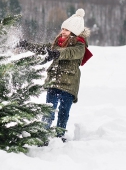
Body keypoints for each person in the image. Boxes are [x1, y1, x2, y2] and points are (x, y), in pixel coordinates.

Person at [17, 8, 92, 142]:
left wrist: (58, 53)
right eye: (62, 28)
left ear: (74, 33)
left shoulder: (80, 45)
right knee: (49, 110)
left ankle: (60, 136)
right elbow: (43, 48)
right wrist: (26, 45)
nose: (63, 31)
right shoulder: (57, 43)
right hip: (53, 82)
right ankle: (43, 134)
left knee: (63, 113)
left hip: (68, 85)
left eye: (66, 30)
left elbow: (73, 52)